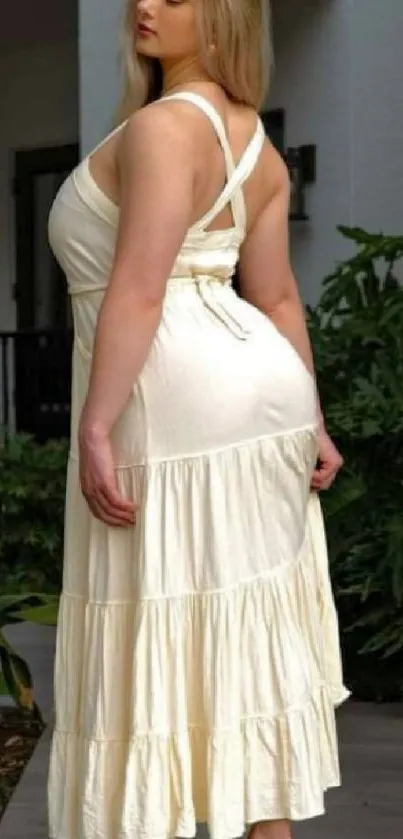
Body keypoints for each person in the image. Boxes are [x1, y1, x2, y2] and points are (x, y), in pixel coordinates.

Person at [47, 1, 349, 838]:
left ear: (222, 17)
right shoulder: (255, 141)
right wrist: (313, 422)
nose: (144, 5)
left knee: (162, 638)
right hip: (259, 396)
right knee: (240, 647)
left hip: (173, 398)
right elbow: (279, 296)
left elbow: (138, 288)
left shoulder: (163, 128)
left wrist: (96, 424)